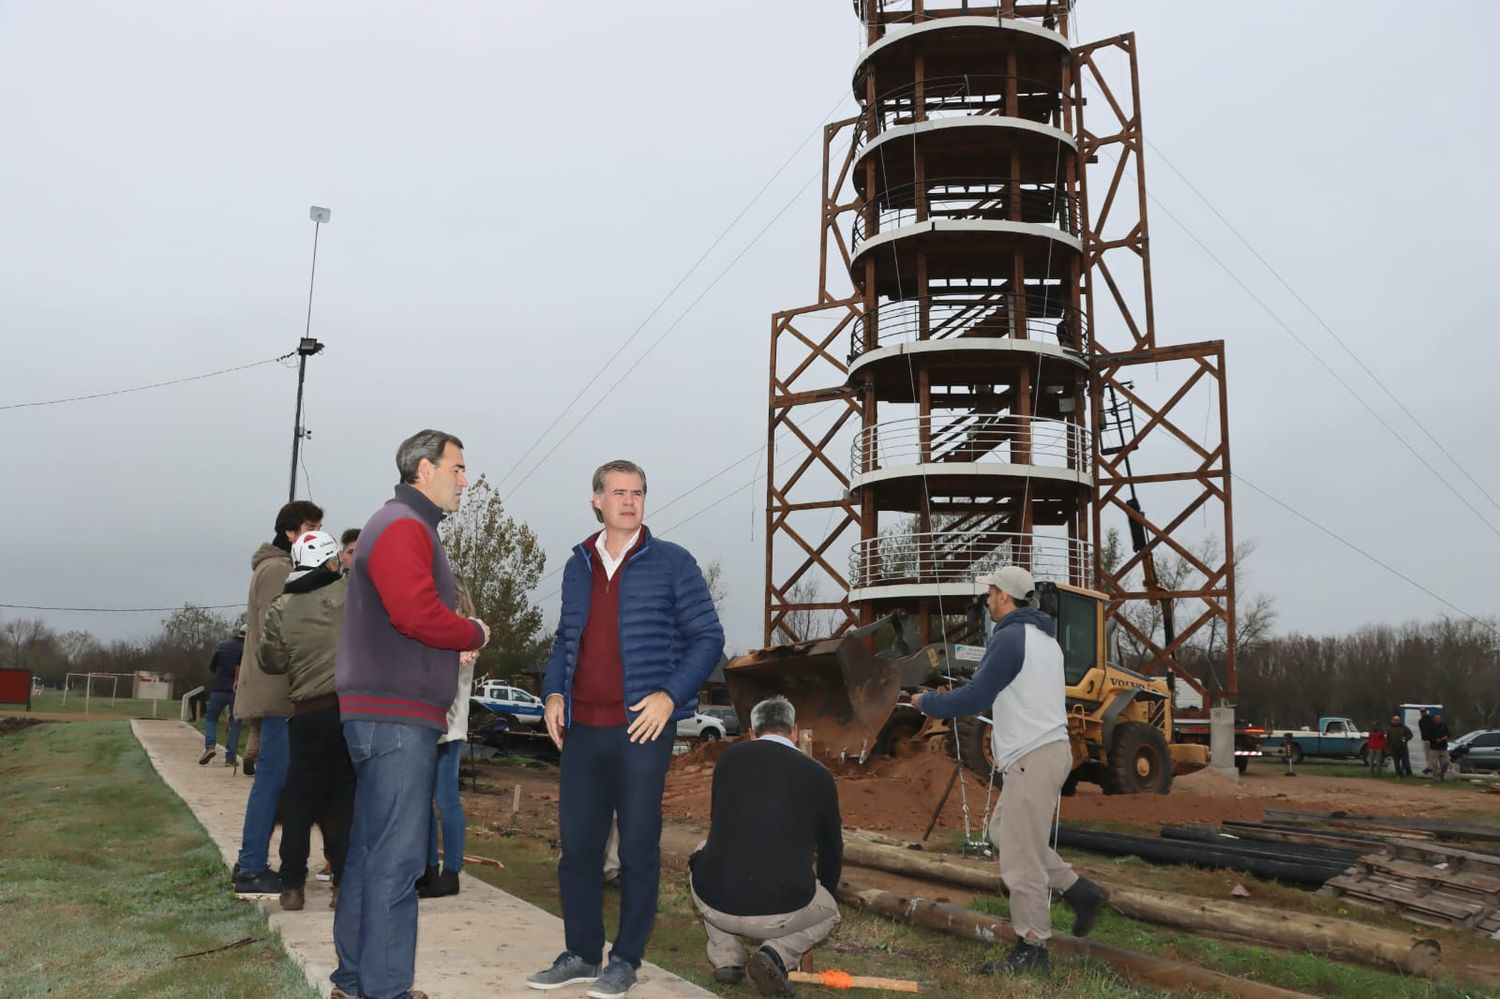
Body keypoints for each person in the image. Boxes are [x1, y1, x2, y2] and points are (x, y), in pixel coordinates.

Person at [528, 459, 724, 999]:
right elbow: (566, 640)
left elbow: (709, 639)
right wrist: (552, 692)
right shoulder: (578, 564)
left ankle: (626, 959)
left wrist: (669, 695)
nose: (630, 501)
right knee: (579, 848)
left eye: (637, 492)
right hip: (583, 731)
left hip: (641, 728)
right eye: (619, 492)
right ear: (597, 500)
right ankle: (582, 953)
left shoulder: (672, 564)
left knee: (638, 847)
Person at [331, 430, 489, 999]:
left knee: (371, 852)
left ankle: (354, 982)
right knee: (397, 862)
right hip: (394, 717)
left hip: (384, 712)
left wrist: (448, 641)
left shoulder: (402, 524)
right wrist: (471, 630)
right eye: (458, 468)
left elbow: (411, 615)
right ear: (425, 469)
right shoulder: (403, 525)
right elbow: (414, 612)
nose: (465, 480)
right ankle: (386, 990)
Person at [911, 566, 1108, 977]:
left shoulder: (1010, 637)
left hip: (1033, 757)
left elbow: (977, 696)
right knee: (1004, 834)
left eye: (991, 592)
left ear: (1004, 596)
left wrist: (927, 703)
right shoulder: (1044, 640)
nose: (987, 599)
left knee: (1020, 858)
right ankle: (1079, 890)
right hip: (1045, 754)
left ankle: (1033, 948)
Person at [689, 696, 842, 997]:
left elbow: (719, 822)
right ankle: (776, 954)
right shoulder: (819, 775)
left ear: (751, 732)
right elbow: (831, 849)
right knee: (830, 913)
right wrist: (824, 891)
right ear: (795, 731)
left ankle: (727, 958)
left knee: (702, 848)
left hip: (716, 901)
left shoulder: (727, 760)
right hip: (782, 912)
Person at [258, 529, 355, 912]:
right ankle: (343, 886)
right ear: (333, 561)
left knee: (299, 802)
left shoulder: (282, 606)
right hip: (349, 713)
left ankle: (293, 887)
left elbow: (270, 661)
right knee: (347, 800)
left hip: (306, 716)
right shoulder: (352, 595)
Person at [232, 499, 324, 897]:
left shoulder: (279, 568)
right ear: (289, 532)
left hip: (281, 690)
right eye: (308, 527)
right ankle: (251, 865)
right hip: (278, 692)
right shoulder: (277, 571)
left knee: (275, 778)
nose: (315, 535)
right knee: (271, 779)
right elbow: (281, 631)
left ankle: (253, 862)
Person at [418, 579, 479, 900]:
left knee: (446, 799)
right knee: (425, 802)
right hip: (430, 726)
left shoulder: (467, 632)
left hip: (450, 727)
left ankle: (451, 870)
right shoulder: (445, 630)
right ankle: (427, 868)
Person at [199, 625, 245, 768]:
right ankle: (231, 757)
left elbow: (212, 667)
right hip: (237, 691)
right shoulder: (248, 649)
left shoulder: (223, 646)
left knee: (211, 718)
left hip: (218, 688)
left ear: (239, 632)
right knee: (235, 723)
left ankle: (210, 746)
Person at [1429, 712, 1452, 781]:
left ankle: (1441, 774)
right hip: (1434, 748)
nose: (1439, 719)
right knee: (1434, 764)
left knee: (1446, 762)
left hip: (1443, 748)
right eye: (1437, 718)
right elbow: (1427, 736)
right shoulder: (1430, 726)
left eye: (1439, 718)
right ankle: (1436, 778)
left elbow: (1449, 734)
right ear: (1433, 719)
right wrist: (1435, 740)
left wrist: (1446, 737)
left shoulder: (1443, 725)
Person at [1418, 708, 1435, 774]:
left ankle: (1433, 768)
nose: (1422, 713)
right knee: (1427, 755)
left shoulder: (1431, 719)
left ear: (1426, 712)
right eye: (1421, 712)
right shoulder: (1420, 721)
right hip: (1424, 739)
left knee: (1433, 754)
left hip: (1431, 740)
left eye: (1423, 712)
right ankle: (1429, 767)